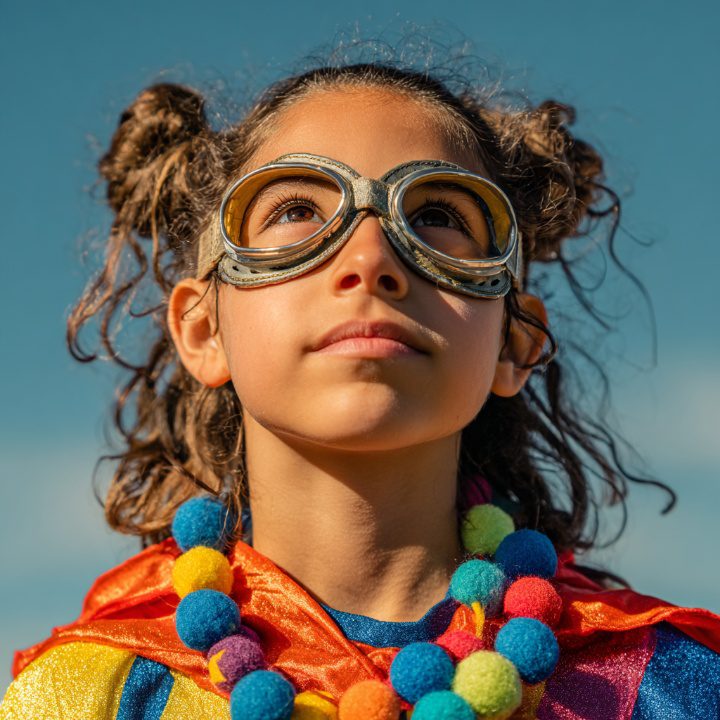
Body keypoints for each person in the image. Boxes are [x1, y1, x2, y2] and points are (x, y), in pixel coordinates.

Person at [2, 59, 719, 720]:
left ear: (514, 342)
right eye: (295, 211)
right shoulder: (94, 691)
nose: (371, 259)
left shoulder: (666, 683)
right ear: (202, 329)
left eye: (438, 217)